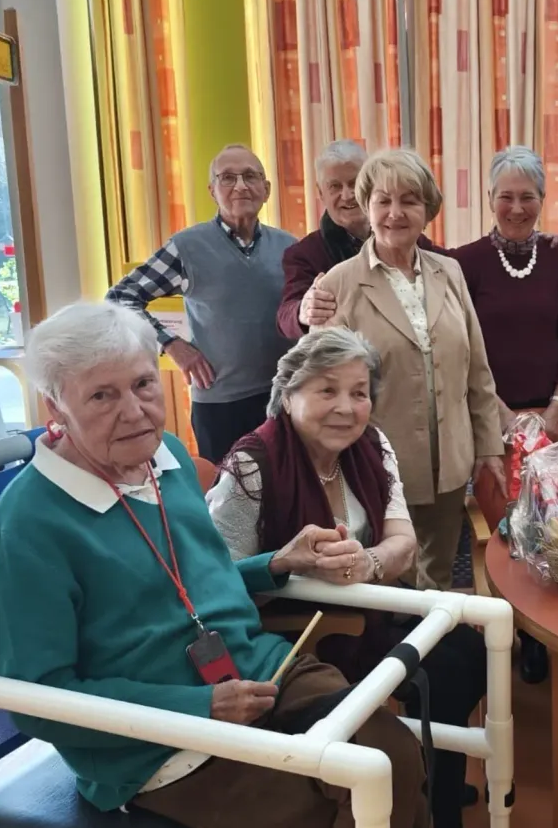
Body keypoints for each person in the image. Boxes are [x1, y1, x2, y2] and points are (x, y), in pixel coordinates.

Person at [0, 301, 427, 828]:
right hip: (161, 747)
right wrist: (200, 707)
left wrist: (276, 564)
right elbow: (39, 701)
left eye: (144, 384)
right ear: (55, 408)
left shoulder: (164, 457)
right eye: (102, 395)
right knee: (310, 808)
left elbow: (187, 591)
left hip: (263, 673)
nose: (134, 411)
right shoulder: (29, 522)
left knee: (390, 755)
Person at [208, 327, 486, 828]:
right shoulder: (251, 465)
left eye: (359, 393)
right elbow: (216, 580)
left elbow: (403, 543)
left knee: (463, 653)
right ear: (288, 394)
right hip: (294, 633)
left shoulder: (373, 445)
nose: (346, 407)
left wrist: (368, 564)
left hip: (372, 604)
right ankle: (415, 781)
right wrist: (288, 562)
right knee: (435, 668)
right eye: (327, 390)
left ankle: (439, 793)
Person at [313, 148, 505, 591]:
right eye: (383, 200)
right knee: (386, 584)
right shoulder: (337, 284)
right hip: (376, 468)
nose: (395, 213)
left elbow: (477, 369)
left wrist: (488, 446)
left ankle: (436, 658)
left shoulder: (450, 272)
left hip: (450, 464)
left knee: (437, 574)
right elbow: (322, 393)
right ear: (367, 206)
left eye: (410, 200)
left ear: (427, 210)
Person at [107, 144, 295, 463]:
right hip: (221, 406)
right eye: (228, 178)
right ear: (212, 190)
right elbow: (120, 298)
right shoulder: (188, 247)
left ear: (267, 189)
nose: (240, 186)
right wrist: (173, 345)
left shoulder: (289, 247)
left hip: (284, 398)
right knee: (227, 501)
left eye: (250, 176)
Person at [450, 146, 558, 441]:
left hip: (550, 420)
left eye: (527, 197)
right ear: (489, 199)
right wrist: (501, 415)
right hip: (485, 419)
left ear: (542, 199)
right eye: (506, 197)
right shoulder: (464, 262)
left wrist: (556, 410)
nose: (516, 209)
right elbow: (459, 351)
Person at [277, 140, 442, 341]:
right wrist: (303, 310)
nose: (347, 195)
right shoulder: (304, 254)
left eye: (353, 183)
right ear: (321, 193)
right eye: (335, 186)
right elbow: (285, 316)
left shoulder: (401, 236)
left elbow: (444, 266)